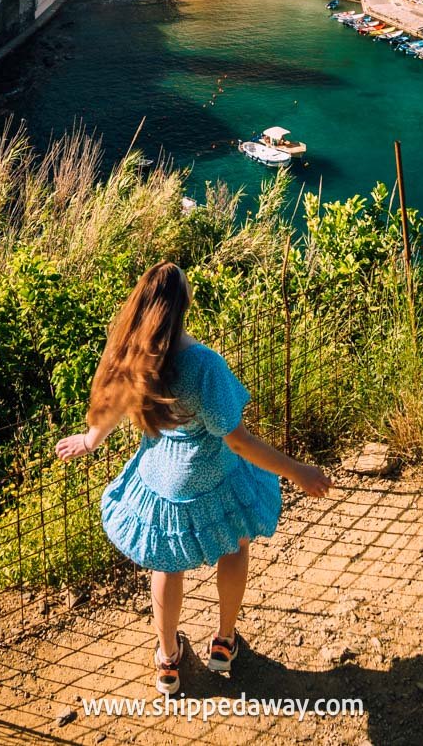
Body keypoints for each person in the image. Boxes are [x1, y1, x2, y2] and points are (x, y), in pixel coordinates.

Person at [55, 261, 331, 695]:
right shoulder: (204, 365)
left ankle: (167, 660)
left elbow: (113, 401)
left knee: (167, 564)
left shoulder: (134, 350)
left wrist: (91, 440)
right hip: (215, 477)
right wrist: (297, 471)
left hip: (163, 481)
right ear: (185, 306)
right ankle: (223, 642)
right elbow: (237, 441)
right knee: (235, 543)